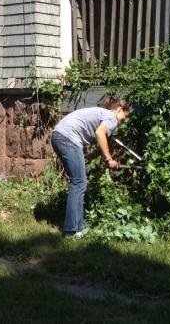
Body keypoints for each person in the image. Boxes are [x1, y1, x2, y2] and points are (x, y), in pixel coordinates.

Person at [50, 97, 131, 238]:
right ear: (119, 109)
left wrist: (108, 159)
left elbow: (99, 137)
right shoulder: (111, 118)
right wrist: (109, 159)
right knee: (79, 182)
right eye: (123, 118)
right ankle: (71, 230)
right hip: (68, 137)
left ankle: (79, 226)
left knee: (78, 182)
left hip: (58, 136)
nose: (121, 122)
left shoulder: (102, 114)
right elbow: (100, 134)